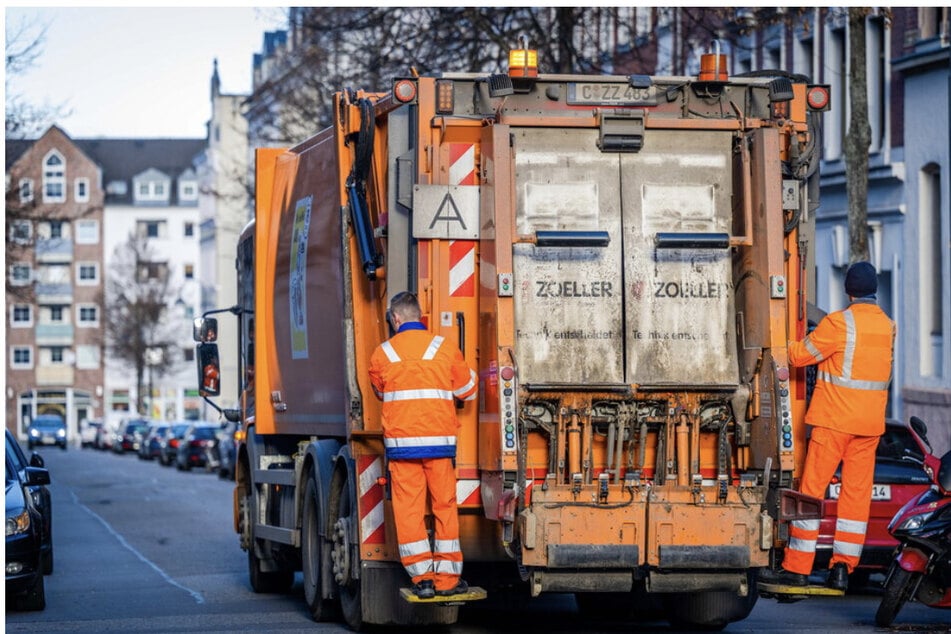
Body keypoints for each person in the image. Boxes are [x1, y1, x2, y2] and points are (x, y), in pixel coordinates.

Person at [761, 261, 895, 591]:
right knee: (855, 499)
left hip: (834, 422)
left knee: (810, 493)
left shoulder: (839, 323)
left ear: (849, 291)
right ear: (874, 290)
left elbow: (798, 356)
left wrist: (776, 336)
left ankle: (797, 568)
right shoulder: (887, 326)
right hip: (869, 427)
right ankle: (842, 570)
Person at [368, 291, 478, 599]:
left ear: (395, 318)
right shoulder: (444, 348)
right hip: (439, 447)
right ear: (421, 317)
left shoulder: (382, 353)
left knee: (409, 511)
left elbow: (379, 391)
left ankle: (423, 580)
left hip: (403, 449)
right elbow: (468, 390)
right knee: (444, 508)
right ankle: (447, 580)